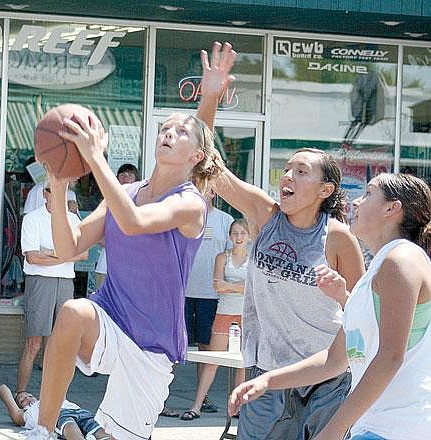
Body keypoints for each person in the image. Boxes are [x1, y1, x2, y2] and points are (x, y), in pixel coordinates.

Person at [31, 42, 236, 440]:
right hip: (110, 317)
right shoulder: (125, 192)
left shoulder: (190, 204)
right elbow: (69, 247)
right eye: (165, 128)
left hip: (151, 346)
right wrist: (59, 184)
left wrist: (96, 159)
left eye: (180, 131)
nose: (169, 133)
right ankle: (41, 429)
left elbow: (135, 221)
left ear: (196, 156)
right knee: (73, 311)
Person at [196, 47, 365, 439]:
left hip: (326, 378)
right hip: (266, 374)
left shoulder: (338, 238)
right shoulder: (264, 215)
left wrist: (342, 295)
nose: (287, 176)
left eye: (301, 172)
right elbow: (206, 166)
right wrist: (210, 97)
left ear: (325, 189)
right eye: (287, 168)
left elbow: (363, 315)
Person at [229, 173, 431, 440]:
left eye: (368, 194)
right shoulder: (379, 269)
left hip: (401, 428)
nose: (356, 202)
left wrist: (333, 430)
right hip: (375, 428)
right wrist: (268, 380)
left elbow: (390, 357)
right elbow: (334, 360)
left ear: (392, 208)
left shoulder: (401, 259)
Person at [17, 182, 88, 403]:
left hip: (65, 281)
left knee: (62, 344)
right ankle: (21, 392)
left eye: (62, 191)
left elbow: (83, 254)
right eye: (53, 190)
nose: (58, 194)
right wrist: (64, 254)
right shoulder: (32, 219)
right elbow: (32, 257)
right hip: (40, 281)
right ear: (45, 194)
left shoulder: (73, 219)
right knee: (34, 342)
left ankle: (55, 397)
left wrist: (50, 253)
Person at [181, 218, 250, 421]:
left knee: (242, 363)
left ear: (249, 236)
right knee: (213, 360)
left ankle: (238, 406)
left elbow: (253, 288)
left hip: (247, 314)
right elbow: (218, 285)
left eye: (242, 233)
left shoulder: (253, 259)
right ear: (229, 236)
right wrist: (240, 287)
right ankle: (197, 405)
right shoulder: (222, 257)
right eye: (234, 233)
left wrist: (231, 286)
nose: (238, 237)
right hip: (225, 311)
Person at [181, 187, 233, 415]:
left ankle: (203, 398)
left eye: (207, 188)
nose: (202, 192)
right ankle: (160, 398)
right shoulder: (182, 217)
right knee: (174, 347)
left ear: (214, 192)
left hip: (210, 295)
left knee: (205, 348)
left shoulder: (225, 220)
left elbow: (233, 256)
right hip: (183, 291)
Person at [0, 384, 108, 440]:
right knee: (71, 429)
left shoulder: (46, 399)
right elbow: (3, 389)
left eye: (29, 396)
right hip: (58, 415)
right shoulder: (25, 414)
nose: (27, 398)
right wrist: (19, 392)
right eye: (22, 400)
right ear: (21, 407)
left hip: (80, 412)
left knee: (103, 433)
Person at [94, 164, 139, 289]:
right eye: (122, 174)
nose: (125, 177)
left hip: (132, 269)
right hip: (105, 267)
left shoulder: (142, 203)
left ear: (137, 179)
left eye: (130, 175)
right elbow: (96, 234)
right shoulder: (107, 202)